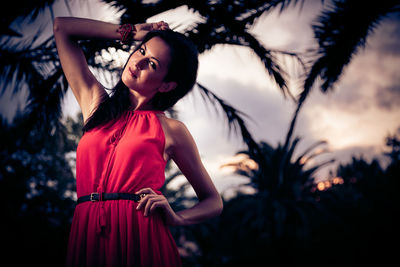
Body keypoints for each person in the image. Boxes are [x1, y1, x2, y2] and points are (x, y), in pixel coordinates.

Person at [53, 16, 223, 266]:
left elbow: (213, 201)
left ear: (167, 86)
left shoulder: (172, 130)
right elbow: (62, 28)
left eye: (152, 64)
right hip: (86, 233)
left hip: (141, 237)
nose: (137, 62)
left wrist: (177, 218)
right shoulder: (95, 104)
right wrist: (132, 32)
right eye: (141, 51)